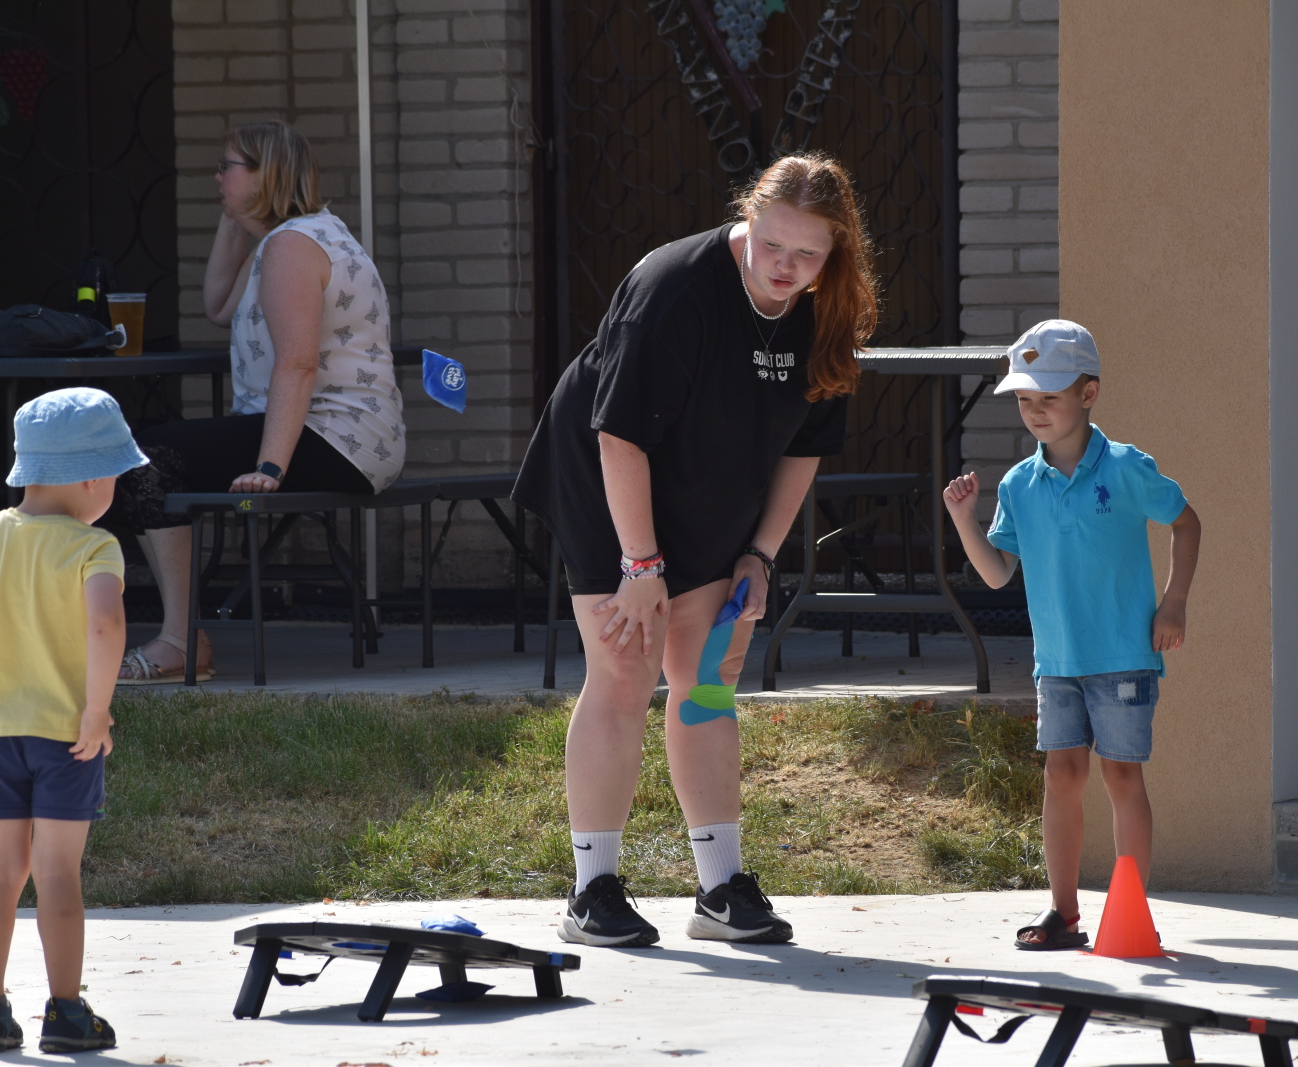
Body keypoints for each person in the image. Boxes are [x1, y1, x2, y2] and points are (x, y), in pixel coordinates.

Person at [513, 153, 879, 947]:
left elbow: (804, 447)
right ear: (748, 216)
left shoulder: (827, 310)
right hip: (611, 478)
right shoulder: (673, 288)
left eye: (806, 254)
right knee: (625, 667)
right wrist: (640, 567)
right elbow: (619, 437)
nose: (784, 267)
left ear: (834, 254)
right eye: (771, 244)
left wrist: (761, 554)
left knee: (707, 677)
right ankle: (592, 891)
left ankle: (720, 888)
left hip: (714, 483)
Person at [111, 120, 405, 683]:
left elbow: (298, 363)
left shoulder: (293, 247)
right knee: (149, 453)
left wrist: (269, 467)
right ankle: (183, 637)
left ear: (265, 175)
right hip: (345, 436)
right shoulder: (290, 237)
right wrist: (236, 219)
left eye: (227, 167)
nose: (216, 176)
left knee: (148, 458)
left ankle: (181, 640)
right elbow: (220, 306)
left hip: (334, 437)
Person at [941, 319, 1201, 950]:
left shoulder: (1127, 467)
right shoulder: (1018, 485)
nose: (1035, 410)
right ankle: (1064, 914)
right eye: (1024, 399)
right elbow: (997, 574)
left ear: (1089, 394)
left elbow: (1186, 522)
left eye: (1049, 398)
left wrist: (1174, 603)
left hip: (1124, 657)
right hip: (1056, 662)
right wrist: (964, 520)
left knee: (1121, 779)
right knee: (1061, 776)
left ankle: (1130, 911)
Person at [0, 387, 148, 1053]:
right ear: (92, 478)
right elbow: (106, 625)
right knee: (57, 874)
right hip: (67, 738)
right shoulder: (94, 547)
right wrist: (96, 710)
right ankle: (65, 1012)